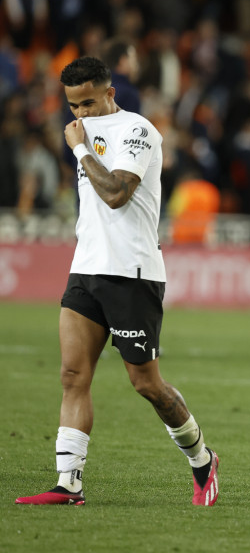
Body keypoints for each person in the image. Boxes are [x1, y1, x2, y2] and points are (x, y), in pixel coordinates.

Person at [15, 57, 219, 506]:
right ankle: (69, 482)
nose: (81, 114)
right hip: (85, 269)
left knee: (146, 383)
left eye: (89, 102)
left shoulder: (137, 131)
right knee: (72, 374)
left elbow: (116, 195)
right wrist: (82, 144)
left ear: (110, 93)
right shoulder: (82, 130)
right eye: (73, 106)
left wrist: (80, 149)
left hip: (132, 271)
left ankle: (202, 458)